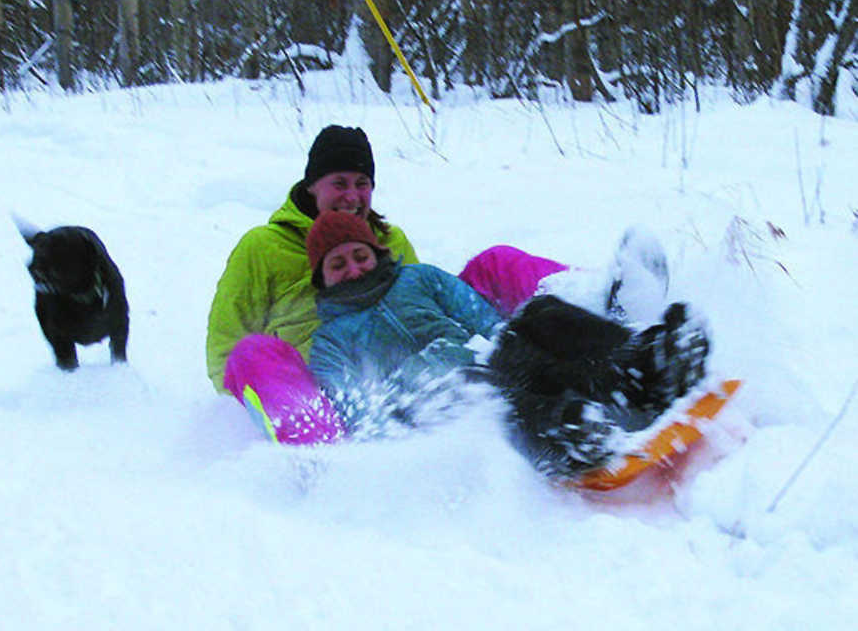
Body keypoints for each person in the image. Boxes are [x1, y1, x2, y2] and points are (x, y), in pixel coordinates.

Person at [206, 124, 573, 444]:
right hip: (328, 394)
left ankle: (590, 319)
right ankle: (321, 451)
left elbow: (415, 310)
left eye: (362, 184)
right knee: (249, 353)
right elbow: (224, 349)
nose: (352, 196)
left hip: (421, 376)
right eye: (339, 183)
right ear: (311, 186)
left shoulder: (389, 238)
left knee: (497, 262)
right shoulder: (263, 246)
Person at [306, 211, 710, 477]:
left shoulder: (419, 279)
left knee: (540, 316)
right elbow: (354, 405)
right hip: (432, 406)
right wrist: (420, 379)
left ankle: (643, 367)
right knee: (494, 396)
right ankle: (569, 434)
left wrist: (507, 343)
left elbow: (483, 319)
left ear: (375, 253)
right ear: (322, 280)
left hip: (483, 361)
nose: (353, 269)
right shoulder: (329, 341)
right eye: (337, 265)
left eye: (359, 255)